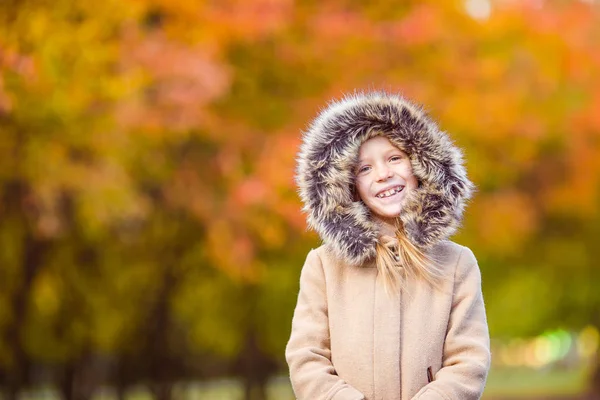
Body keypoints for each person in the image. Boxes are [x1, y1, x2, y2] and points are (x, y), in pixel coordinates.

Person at [286, 91, 491, 400]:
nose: (383, 174)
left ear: (421, 165)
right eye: (364, 168)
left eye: (394, 158)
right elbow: (307, 357)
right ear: (348, 185)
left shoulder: (457, 263)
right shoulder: (324, 266)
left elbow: (468, 359)